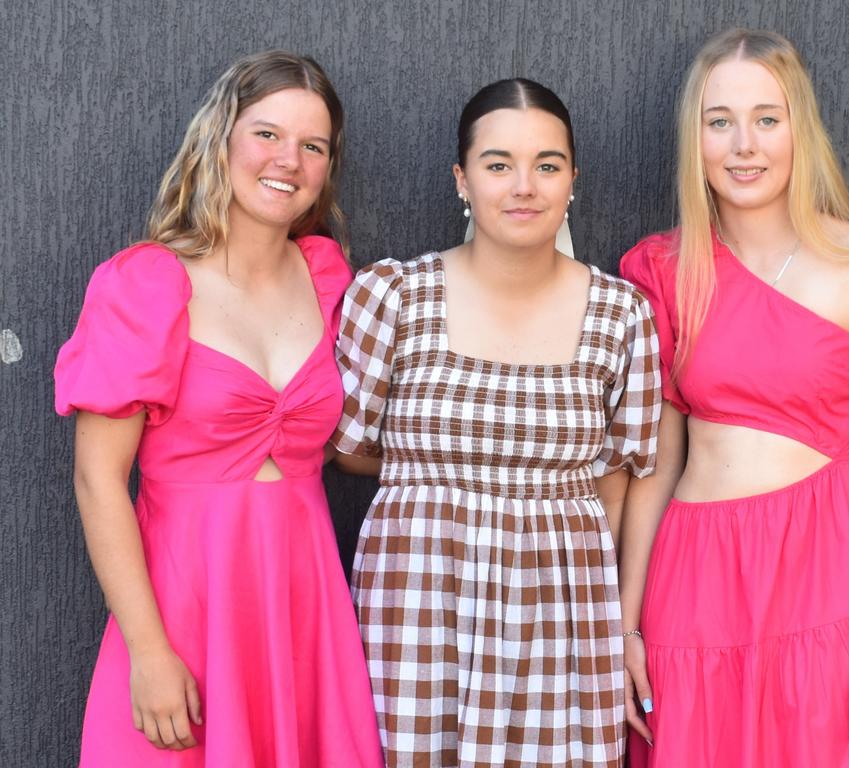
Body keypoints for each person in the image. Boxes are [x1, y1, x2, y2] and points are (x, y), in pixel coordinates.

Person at [54, 51, 383, 767]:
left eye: (312, 145)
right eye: (266, 134)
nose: (287, 160)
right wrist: (148, 650)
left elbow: (344, 444)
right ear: (221, 139)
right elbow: (96, 480)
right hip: (185, 606)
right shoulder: (145, 285)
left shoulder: (329, 280)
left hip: (304, 608)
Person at [617, 29, 849, 767]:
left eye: (766, 117)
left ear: (800, 128)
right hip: (694, 575)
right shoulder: (660, 269)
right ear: (693, 139)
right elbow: (653, 467)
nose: (742, 145)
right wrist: (623, 628)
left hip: (824, 566)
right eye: (717, 121)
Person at [332, 78, 661, 767]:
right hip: (419, 603)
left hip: (559, 609)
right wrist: (446, 487)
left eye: (546, 165)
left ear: (572, 180)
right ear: (461, 178)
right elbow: (352, 448)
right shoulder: (392, 295)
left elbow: (617, 484)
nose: (523, 186)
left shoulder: (622, 314)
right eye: (497, 164)